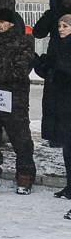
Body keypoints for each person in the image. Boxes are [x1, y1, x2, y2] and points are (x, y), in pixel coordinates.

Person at [0, 8, 37, 194]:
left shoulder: (22, 42)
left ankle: (25, 178)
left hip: (15, 98)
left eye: (2, 22)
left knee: (21, 139)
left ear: (11, 23)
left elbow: (22, 68)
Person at [34, 14, 71, 199]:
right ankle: (69, 185)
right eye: (59, 25)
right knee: (67, 148)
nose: (61, 29)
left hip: (68, 101)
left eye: (65, 26)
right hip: (59, 103)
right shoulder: (57, 45)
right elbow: (51, 73)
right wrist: (40, 64)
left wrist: (57, 65)